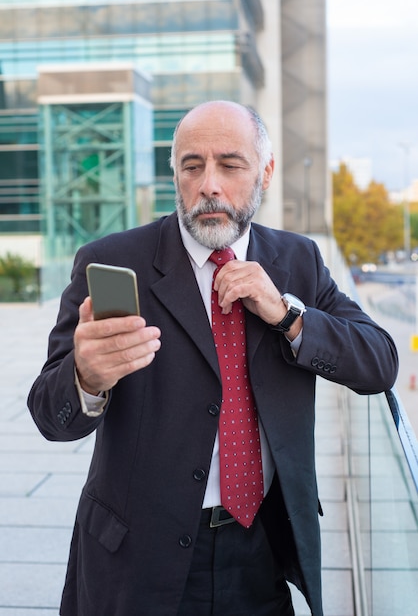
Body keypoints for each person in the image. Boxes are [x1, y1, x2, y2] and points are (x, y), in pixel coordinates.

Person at [28, 100, 398, 616]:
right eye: (192, 166)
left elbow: (379, 362)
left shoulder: (298, 261)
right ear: (175, 174)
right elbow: (50, 415)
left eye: (230, 164)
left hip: (262, 551)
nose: (209, 185)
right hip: (139, 560)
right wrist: (85, 378)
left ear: (265, 171)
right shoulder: (111, 260)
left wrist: (287, 315)